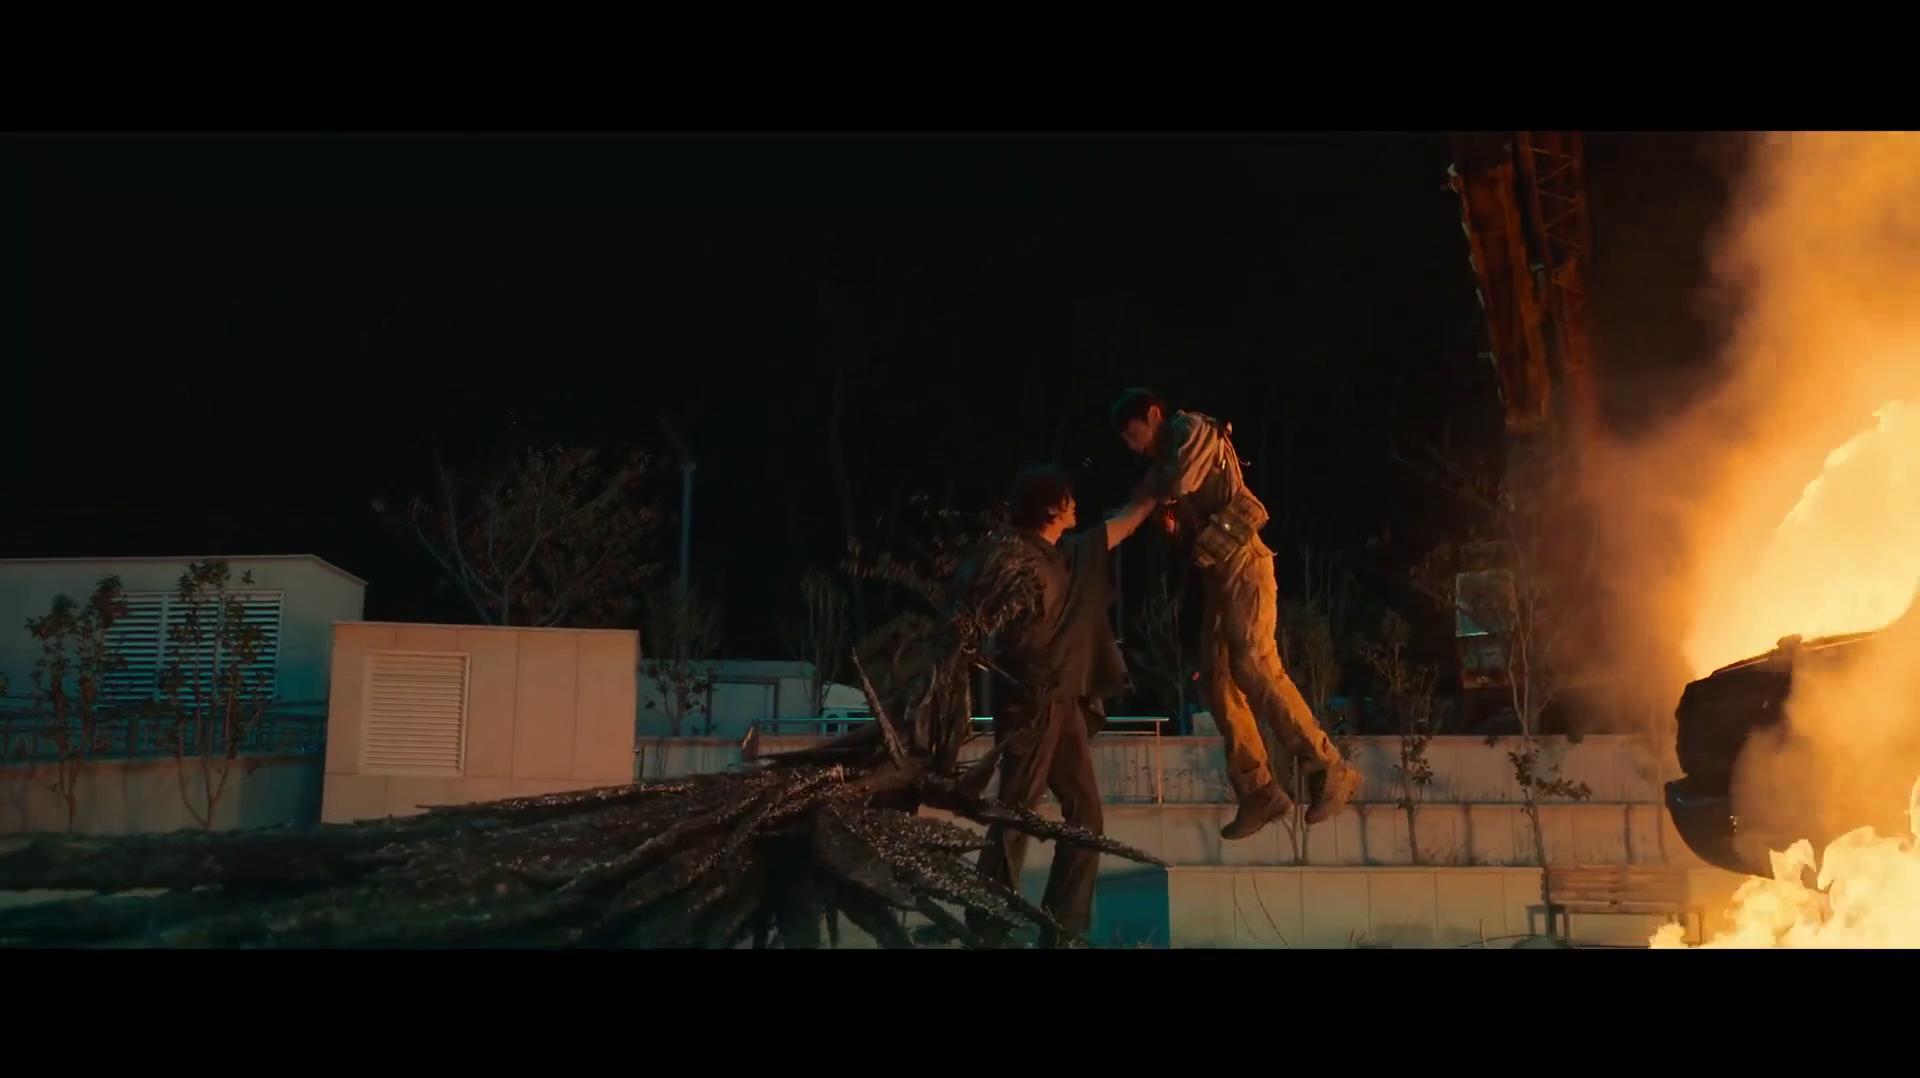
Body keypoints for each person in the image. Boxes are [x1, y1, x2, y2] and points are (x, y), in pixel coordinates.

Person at [1111, 387, 1362, 840]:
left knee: (1254, 662)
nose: (1133, 447)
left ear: (1153, 414)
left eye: (1133, 434)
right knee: (1215, 679)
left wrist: (1149, 494)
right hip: (1217, 572)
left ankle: (1328, 766)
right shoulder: (1166, 458)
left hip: (1245, 563)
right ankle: (1258, 789)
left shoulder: (1189, 430)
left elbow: (1179, 481)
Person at [969, 464, 1157, 947]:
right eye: (1068, 499)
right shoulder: (1014, 557)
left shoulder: (1064, 554)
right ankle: (986, 925)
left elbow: (1118, 527)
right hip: (1030, 706)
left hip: (1063, 701)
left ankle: (1061, 930)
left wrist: (1153, 493)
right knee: (1016, 813)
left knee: (1086, 815)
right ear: (1051, 507)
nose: (1076, 505)